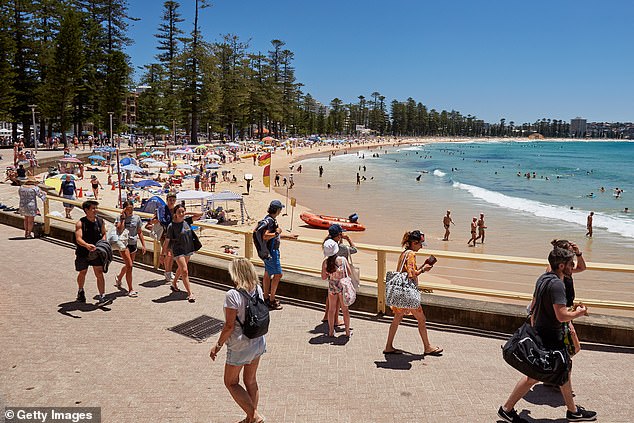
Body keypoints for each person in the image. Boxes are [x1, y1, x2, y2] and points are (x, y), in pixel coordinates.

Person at [497, 247, 596, 423]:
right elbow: (562, 315)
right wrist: (579, 313)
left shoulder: (543, 278)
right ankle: (507, 408)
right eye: (569, 263)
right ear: (560, 265)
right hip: (550, 337)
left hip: (542, 333)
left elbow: (534, 306)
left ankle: (572, 411)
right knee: (536, 376)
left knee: (561, 370)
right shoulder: (558, 284)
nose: (572, 266)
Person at [210, 258, 267, 423]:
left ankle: (254, 417)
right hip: (258, 340)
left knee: (231, 382)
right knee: (251, 380)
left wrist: (218, 345)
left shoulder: (232, 295)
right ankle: (250, 418)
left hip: (240, 344)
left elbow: (229, 326)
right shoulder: (257, 289)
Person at [383, 230, 443, 356]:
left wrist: (420, 268)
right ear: (414, 243)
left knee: (397, 319)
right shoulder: (411, 255)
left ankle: (388, 346)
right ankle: (427, 347)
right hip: (408, 294)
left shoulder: (404, 253)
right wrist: (423, 269)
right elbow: (411, 274)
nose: (421, 246)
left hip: (400, 293)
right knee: (422, 319)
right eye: (420, 244)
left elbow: (406, 271)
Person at [254, 200, 297, 310]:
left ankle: (266, 297)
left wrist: (288, 236)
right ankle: (271, 300)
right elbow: (266, 236)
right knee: (278, 274)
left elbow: (274, 236)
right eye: (280, 209)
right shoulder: (271, 221)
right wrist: (278, 232)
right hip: (271, 252)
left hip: (268, 251)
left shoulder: (269, 219)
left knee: (268, 274)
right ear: (277, 210)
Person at [161, 204, 198, 302]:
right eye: (179, 212)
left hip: (188, 248)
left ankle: (174, 283)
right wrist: (162, 254)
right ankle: (190, 293)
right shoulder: (171, 226)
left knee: (181, 268)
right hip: (178, 250)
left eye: (183, 212)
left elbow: (200, 214)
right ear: (175, 214)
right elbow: (167, 241)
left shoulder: (187, 221)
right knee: (185, 271)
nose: (181, 214)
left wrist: (188, 213)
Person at [74, 200, 109, 305]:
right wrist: (86, 245)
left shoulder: (100, 221)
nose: (95, 210)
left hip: (96, 252)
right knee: (83, 272)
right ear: (86, 210)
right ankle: (80, 291)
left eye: (96, 208)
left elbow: (103, 234)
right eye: (93, 208)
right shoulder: (80, 223)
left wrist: (102, 243)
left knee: (99, 272)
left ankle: (102, 296)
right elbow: (78, 238)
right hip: (83, 252)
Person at [321, 224, 357, 323]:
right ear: (339, 235)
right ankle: (336, 321)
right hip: (340, 277)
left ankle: (326, 317)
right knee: (338, 303)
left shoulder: (327, 244)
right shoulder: (342, 247)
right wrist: (348, 239)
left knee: (331, 299)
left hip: (331, 275)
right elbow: (354, 249)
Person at [114, 201, 147, 297]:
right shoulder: (119, 218)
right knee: (130, 266)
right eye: (128, 208)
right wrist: (123, 218)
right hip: (123, 244)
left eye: (131, 208)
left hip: (133, 243)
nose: (130, 210)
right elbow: (119, 229)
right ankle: (130, 289)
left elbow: (139, 232)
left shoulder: (137, 218)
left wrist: (143, 245)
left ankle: (119, 277)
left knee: (128, 265)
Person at [321, 239, 352, 337]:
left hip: (332, 286)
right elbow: (349, 273)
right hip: (342, 286)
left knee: (331, 309)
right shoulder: (342, 260)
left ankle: (330, 331)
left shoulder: (325, 262)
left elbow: (324, 277)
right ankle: (347, 331)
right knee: (345, 310)